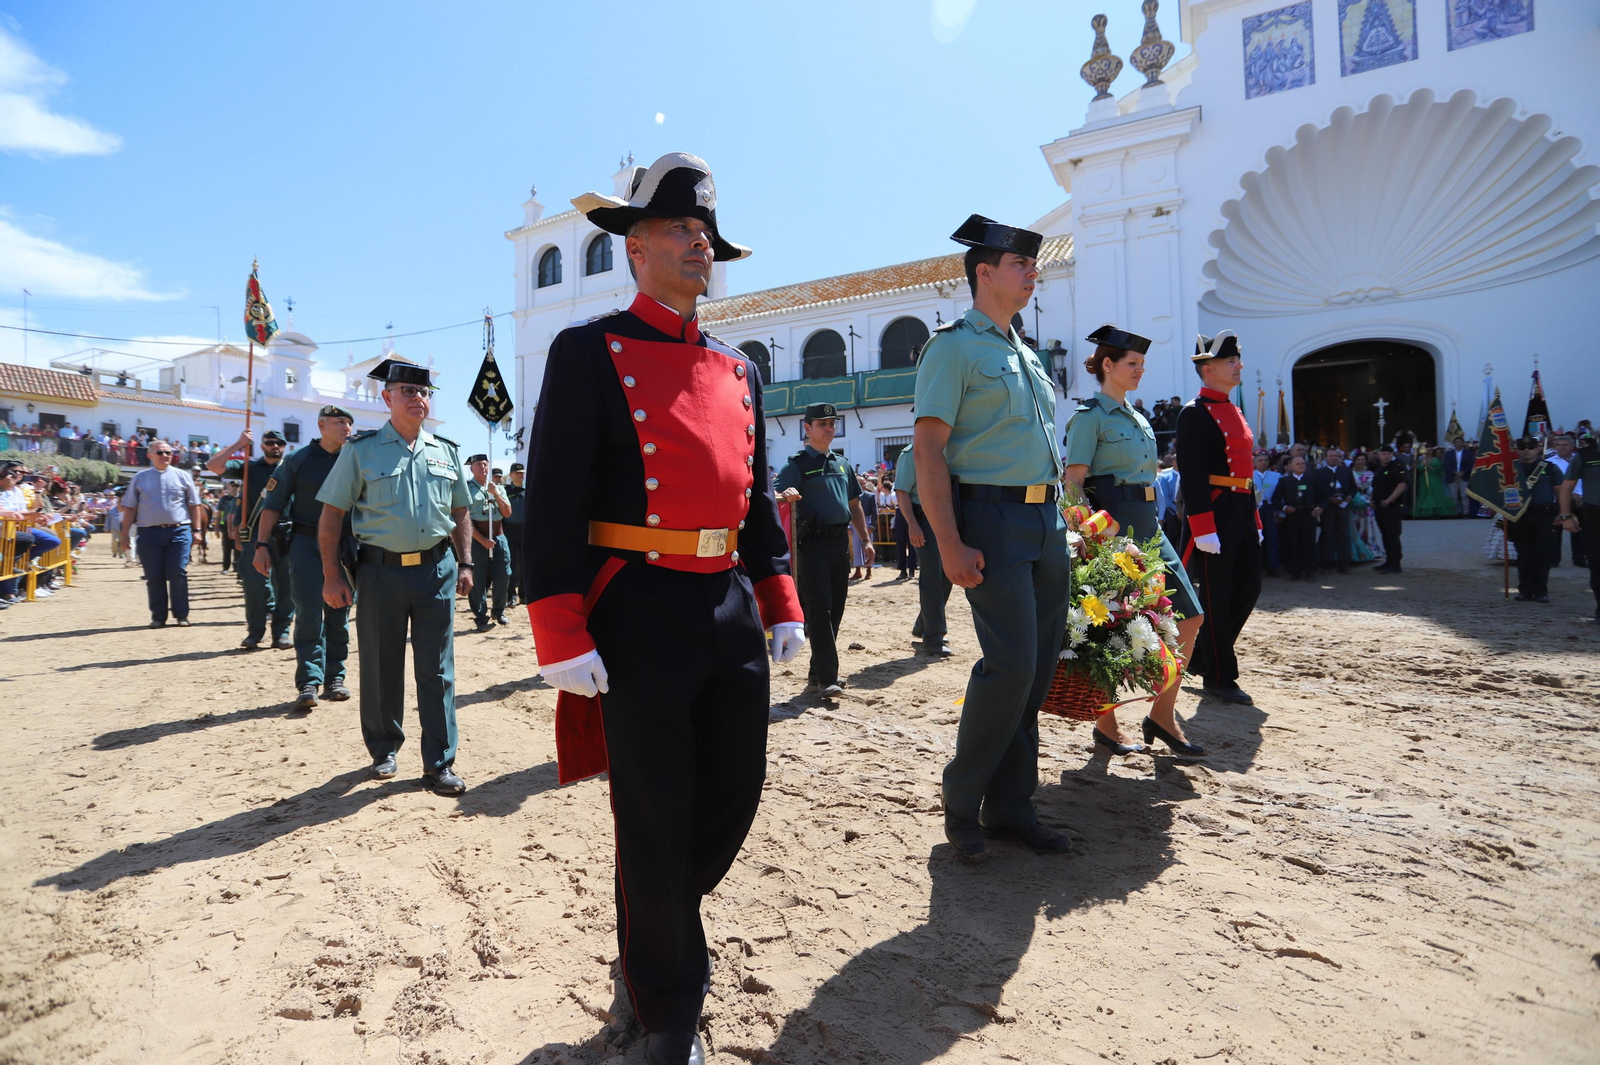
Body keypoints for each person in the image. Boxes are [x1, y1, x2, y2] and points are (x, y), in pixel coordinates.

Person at [522, 152, 804, 1065]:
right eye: (680, 228)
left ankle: (656, 930)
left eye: (706, 231)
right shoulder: (586, 350)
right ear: (634, 247)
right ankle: (665, 1011)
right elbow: (551, 498)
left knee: (732, 791)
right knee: (651, 814)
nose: (699, 243)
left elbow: (753, 501)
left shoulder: (738, 368)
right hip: (635, 605)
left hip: (727, 603)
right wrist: (559, 626)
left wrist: (779, 598)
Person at [913, 213, 1072, 860]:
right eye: (1021, 264)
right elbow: (928, 449)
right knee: (1010, 664)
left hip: (1046, 521)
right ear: (985, 272)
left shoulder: (1027, 354)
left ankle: (1011, 805)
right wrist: (948, 542)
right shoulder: (954, 348)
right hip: (992, 521)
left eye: (1034, 264)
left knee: (1037, 670)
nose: (1034, 273)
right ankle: (963, 799)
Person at [317, 359, 472, 794]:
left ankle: (439, 762)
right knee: (381, 664)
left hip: (435, 572)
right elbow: (331, 516)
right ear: (387, 398)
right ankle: (384, 749)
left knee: (437, 670)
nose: (417, 398)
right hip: (379, 573)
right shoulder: (360, 451)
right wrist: (332, 575)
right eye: (407, 391)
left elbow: (461, 510)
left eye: (423, 392)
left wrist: (465, 563)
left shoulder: (446, 451)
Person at [1062, 325, 1207, 756]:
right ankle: (1105, 723)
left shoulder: (1139, 417)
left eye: (1142, 363)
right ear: (1108, 365)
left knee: (1191, 617)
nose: (1140, 370)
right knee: (1109, 629)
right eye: (1132, 363)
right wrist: (1088, 537)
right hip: (1111, 527)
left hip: (1149, 525)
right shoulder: (1089, 416)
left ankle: (1161, 715)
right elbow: (1073, 483)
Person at [1176, 331, 1261, 706]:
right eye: (1230, 361)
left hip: (1241, 507)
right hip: (1215, 510)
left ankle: (1203, 657)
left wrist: (1255, 520)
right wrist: (1203, 526)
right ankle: (1220, 677)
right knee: (1217, 596)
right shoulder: (1194, 413)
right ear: (1208, 369)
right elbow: (1192, 476)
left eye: (1237, 359)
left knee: (1249, 588)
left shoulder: (1235, 409)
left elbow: (1246, 472)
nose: (1239, 365)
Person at [255, 405, 356, 712]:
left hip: (345, 545)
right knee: (309, 611)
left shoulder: (355, 458)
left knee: (339, 611)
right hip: (305, 542)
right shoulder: (297, 460)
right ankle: (309, 682)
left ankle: (335, 678)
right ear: (322, 425)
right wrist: (261, 545)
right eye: (339, 422)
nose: (347, 427)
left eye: (349, 423)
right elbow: (273, 503)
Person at [776, 403, 874, 696]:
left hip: (838, 544)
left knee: (836, 610)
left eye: (832, 423)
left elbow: (854, 505)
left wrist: (865, 540)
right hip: (812, 545)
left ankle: (817, 673)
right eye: (822, 424)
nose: (829, 428)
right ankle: (828, 678)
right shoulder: (796, 465)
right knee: (819, 609)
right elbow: (775, 495)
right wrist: (785, 493)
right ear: (807, 429)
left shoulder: (842, 463)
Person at [208, 428, 294, 649]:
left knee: (287, 586)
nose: (275, 446)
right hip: (256, 533)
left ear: (284, 447)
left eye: (279, 443)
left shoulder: (292, 467)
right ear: (262, 445)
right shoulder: (249, 467)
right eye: (270, 442)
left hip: (287, 532)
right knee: (253, 585)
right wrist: (239, 443)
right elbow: (213, 465)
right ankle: (255, 633)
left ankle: (281, 633)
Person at [118, 441, 202, 627]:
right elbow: (130, 507)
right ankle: (158, 617)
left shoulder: (183, 476)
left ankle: (181, 615)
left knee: (178, 572)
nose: (165, 456)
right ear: (150, 455)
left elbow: (194, 505)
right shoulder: (139, 478)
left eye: (168, 452)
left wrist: (197, 530)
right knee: (154, 575)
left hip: (179, 531)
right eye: (160, 452)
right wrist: (124, 536)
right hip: (149, 533)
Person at [895, 441, 954, 656]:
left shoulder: (951, 448)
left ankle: (923, 625)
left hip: (948, 517)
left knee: (948, 576)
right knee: (932, 578)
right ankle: (933, 638)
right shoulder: (911, 454)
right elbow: (902, 491)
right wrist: (913, 525)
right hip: (924, 519)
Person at [1506, 437, 1558, 603]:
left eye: (1530, 448)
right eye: (1522, 448)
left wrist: (1563, 513)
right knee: (1523, 554)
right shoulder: (1510, 469)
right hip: (1519, 515)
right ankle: (1525, 590)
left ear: (1537, 449)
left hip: (1543, 515)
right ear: (1517, 450)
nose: (1526, 451)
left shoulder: (1549, 468)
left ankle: (1541, 591)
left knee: (1542, 553)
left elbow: (1560, 490)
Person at [465, 453, 513, 631]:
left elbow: (507, 513)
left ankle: (498, 611)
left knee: (503, 575)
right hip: (477, 539)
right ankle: (480, 616)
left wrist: (496, 495)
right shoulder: (466, 489)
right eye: (478, 464)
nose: (482, 467)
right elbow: (464, 520)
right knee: (478, 578)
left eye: (485, 464)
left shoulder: (497, 487)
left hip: (499, 537)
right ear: (471, 468)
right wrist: (482, 539)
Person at [1558, 429, 1600, 621]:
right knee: (1597, 565)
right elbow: (1567, 487)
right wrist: (1566, 516)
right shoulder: (1586, 455)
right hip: (1595, 517)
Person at [1310, 447, 1357, 574]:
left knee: (1344, 535)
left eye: (1336, 456)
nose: (1334, 458)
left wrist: (1349, 497)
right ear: (1325, 458)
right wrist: (1329, 499)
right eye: (1331, 456)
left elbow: (1353, 488)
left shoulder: (1346, 470)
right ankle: (1326, 564)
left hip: (1343, 505)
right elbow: (1317, 490)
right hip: (1327, 507)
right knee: (1327, 535)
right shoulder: (1319, 472)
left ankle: (1344, 564)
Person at [1545, 434, 1587, 568]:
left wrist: (1580, 495)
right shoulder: (1549, 462)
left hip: (1580, 499)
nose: (1561, 448)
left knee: (1579, 530)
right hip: (1559, 499)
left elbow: (1583, 480)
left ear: (1572, 447)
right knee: (1556, 530)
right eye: (1558, 445)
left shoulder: (1580, 460)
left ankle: (1580, 558)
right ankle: (1553, 559)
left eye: (1565, 445)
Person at [1273, 454, 1317, 580]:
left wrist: (1320, 507)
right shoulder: (1284, 481)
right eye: (1298, 464)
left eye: (1303, 463)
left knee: (1309, 544)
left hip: (1308, 515)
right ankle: (1295, 572)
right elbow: (1276, 498)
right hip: (1292, 516)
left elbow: (1322, 495)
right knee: (1293, 544)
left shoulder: (1312, 479)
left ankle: (1310, 572)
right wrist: (1284, 507)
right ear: (1291, 466)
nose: (1301, 466)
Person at [1371, 444, 1408, 573]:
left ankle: (1395, 564)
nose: (1386, 456)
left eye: (1388, 454)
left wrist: (1389, 500)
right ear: (1379, 455)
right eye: (1383, 454)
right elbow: (1376, 486)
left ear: (1392, 455)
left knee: (1393, 535)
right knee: (1385, 534)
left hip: (1392, 506)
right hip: (1380, 506)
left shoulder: (1397, 466)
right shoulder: (1379, 468)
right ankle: (1389, 560)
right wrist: (1373, 501)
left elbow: (1401, 486)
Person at [1253, 450, 1282, 577]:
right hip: (1255, 509)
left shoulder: (1277, 476)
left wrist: (1281, 513)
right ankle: (1257, 567)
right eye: (1260, 460)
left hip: (1271, 508)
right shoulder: (1250, 475)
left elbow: (1281, 495)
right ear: (1254, 463)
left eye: (1265, 460)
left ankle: (1273, 567)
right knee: (1256, 538)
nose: (1263, 462)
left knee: (1272, 538)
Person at [1411, 445, 1457, 519]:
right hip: (1423, 479)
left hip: (1433, 479)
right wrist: (1418, 464)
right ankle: (1424, 512)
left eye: (1430, 450)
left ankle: (1437, 511)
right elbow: (1419, 469)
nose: (1429, 452)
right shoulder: (1421, 459)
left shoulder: (1436, 460)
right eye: (1427, 450)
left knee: (1435, 493)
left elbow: (1438, 470)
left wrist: (1428, 465)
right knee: (1424, 493)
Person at [504, 462, 526, 607]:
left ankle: (524, 595)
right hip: (509, 530)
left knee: (524, 564)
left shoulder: (528, 491)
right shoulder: (505, 491)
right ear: (511, 475)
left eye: (522, 473)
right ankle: (511, 596)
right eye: (517, 473)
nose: (520, 475)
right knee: (511, 563)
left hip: (524, 530)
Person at [1443, 436, 1475, 516]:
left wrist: (1462, 473)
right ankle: (1454, 512)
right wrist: (1455, 472)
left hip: (1464, 476)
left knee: (1464, 495)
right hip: (1452, 477)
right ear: (1454, 443)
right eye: (1457, 441)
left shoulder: (1468, 453)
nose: (1458, 443)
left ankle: (1466, 512)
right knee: (1453, 496)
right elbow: (1446, 465)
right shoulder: (1448, 453)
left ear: (1463, 443)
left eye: (1460, 441)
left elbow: (1470, 464)